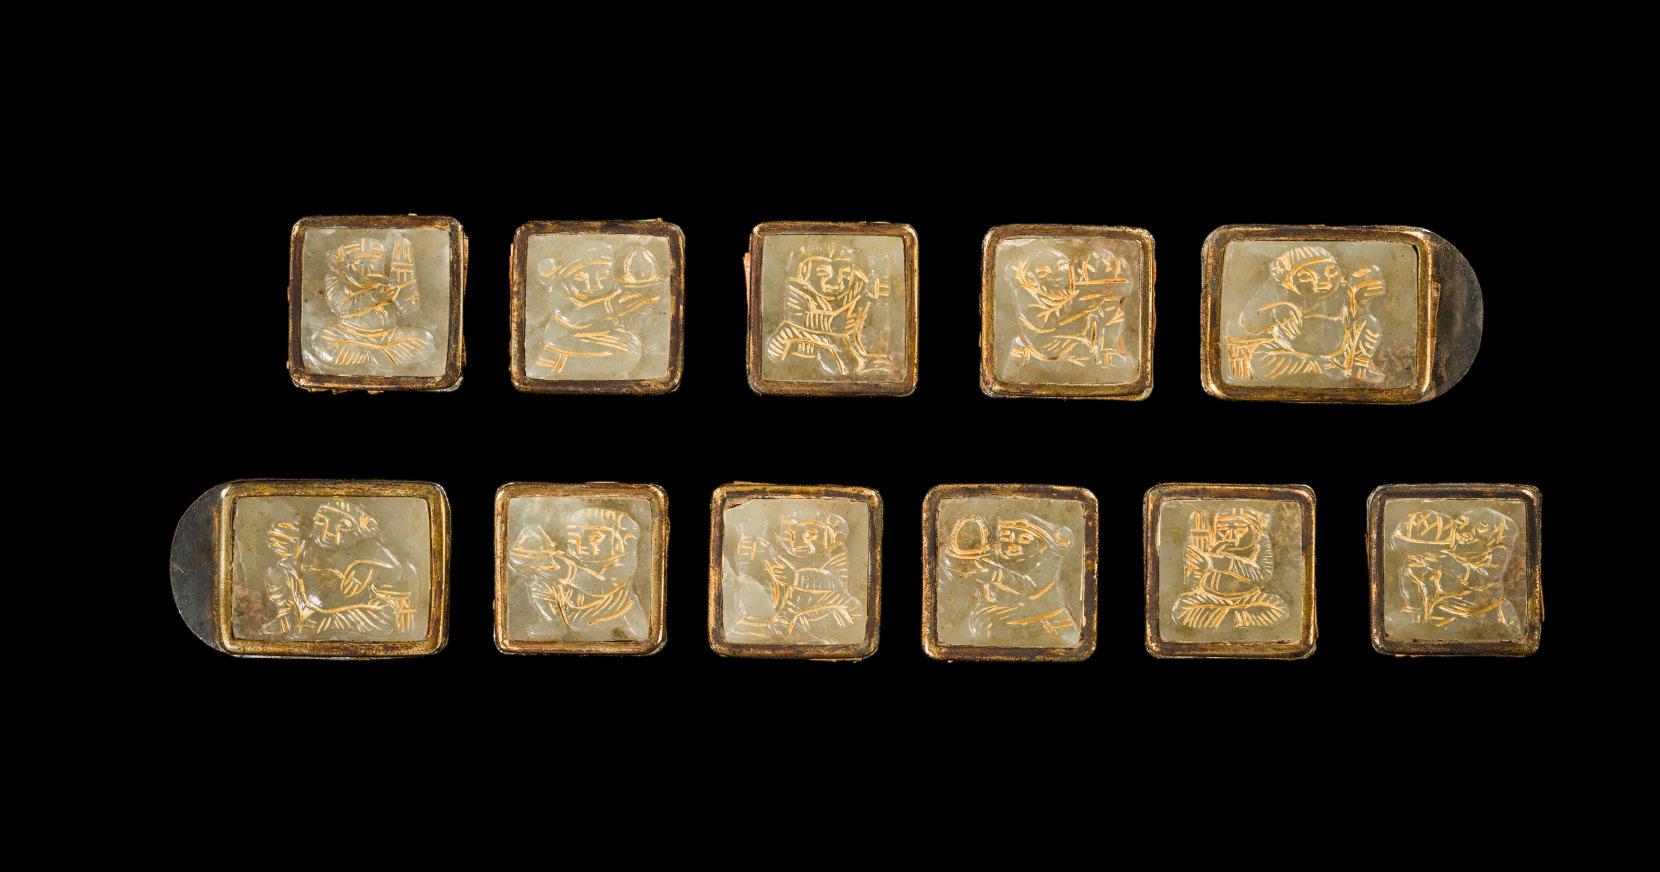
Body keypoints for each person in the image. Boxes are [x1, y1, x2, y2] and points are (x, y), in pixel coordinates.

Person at [1226, 245, 1385, 383]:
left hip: (1338, 353)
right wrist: (1278, 309)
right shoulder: (1276, 289)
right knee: (1260, 358)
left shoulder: (1343, 289)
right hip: (1292, 352)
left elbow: (1357, 316)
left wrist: (1363, 299)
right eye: (1306, 276)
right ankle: (1318, 367)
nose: (1324, 282)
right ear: (1286, 279)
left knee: (1370, 323)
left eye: (1331, 272)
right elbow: (1248, 322)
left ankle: (1359, 364)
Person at [261, 500, 418, 637]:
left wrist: (364, 569)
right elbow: (288, 551)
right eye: (322, 522)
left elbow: (396, 569)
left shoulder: (370, 547)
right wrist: (285, 542)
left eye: (343, 526)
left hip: (352, 609)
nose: (328, 532)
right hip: (306, 601)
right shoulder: (309, 543)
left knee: (380, 619)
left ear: (359, 530)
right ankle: (287, 615)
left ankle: (319, 625)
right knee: (277, 572)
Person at [939, 513, 1079, 645]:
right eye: (1006, 538)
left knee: (988, 626)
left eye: (1024, 539)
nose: (1013, 545)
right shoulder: (997, 560)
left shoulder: (1047, 562)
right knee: (983, 625)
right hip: (994, 618)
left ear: (1041, 544)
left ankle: (1040, 633)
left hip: (1044, 617)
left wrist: (991, 573)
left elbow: (1029, 587)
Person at [726, 508, 863, 642]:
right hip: (785, 605)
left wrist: (797, 578)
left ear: (832, 536)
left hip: (821, 604)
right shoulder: (777, 548)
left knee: (852, 611)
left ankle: (802, 631)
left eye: (811, 534)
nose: (798, 543)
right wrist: (757, 550)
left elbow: (837, 581)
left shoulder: (835, 552)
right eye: (789, 536)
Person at [508, 506, 645, 639]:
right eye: (574, 536)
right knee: (540, 584)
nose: (581, 544)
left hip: (608, 610)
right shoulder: (570, 558)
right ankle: (553, 621)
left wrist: (568, 572)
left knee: (639, 626)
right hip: (571, 606)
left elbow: (602, 587)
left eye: (595, 537)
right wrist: (537, 563)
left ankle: (634, 625)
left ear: (621, 541)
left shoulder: (622, 564)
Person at [534, 241, 664, 374]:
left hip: (605, 335)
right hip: (567, 339)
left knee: (630, 349)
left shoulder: (615, 289)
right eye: (580, 278)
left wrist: (641, 303)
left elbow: (626, 315)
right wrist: (620, 304)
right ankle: (557, 366)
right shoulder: (560, 293)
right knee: (624, 355)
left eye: (603, 276)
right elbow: (576, 316)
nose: (594, 285)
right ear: (565, 278)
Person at [765, 242, 893, 377]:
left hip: (839, 344)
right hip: (794, 342)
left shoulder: (854, 290)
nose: (836, 281)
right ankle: (849, 366)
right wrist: (831, 323)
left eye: (844, 273)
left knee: (839, 341)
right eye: (823, 272)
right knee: (828, 345)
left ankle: (858, 362)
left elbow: (860, 318)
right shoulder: (797, 291)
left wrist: (870, 293)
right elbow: (797, 318)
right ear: (804, 271)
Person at [308, 236, 437, 370]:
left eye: (374, 265)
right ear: (347, 264)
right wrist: (374, 297)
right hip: (350, 334)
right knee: (323, 343)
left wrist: (403, 290)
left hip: (388, 336)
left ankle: (372, 354)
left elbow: (407, 309)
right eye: (361, 264)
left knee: (425, 341)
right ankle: (377, 356)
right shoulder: (336, 279)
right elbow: (342, 306)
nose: (368, 270)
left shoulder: (385, 281)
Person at [1390, 507, 1518, 630]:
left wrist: (1450, 564)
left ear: (1497, 534)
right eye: (1461, 522)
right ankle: (1414, 613)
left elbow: (1481, 577)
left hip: (1483, 614)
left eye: (1482, 526)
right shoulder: (1453, 544)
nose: (1466, 529)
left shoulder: (1498, 553)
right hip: (1441, 612)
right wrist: (1420, 566)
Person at [1006, 245, 1131, 370]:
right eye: (1044, 272)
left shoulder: (1078, 296)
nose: (1060, 274)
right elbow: (1043, 330)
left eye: (1063, 267)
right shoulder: (1030, 301)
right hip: (1045, 353)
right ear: (1032, 279)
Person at [1172, 506, 1288, 630]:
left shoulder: (1260, 544)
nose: (1230, 535)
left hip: (1249, 597)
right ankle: (1236, 618)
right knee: (1182, 609)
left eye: (1240, 529)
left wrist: (1220, 562)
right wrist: (1199, 570)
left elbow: (1263, 575)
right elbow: (1191, 585)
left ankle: (1223, 619)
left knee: (1279, 609)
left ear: (1256, 530)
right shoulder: (1208, 544)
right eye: (1223, 530)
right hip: (1212, 598)